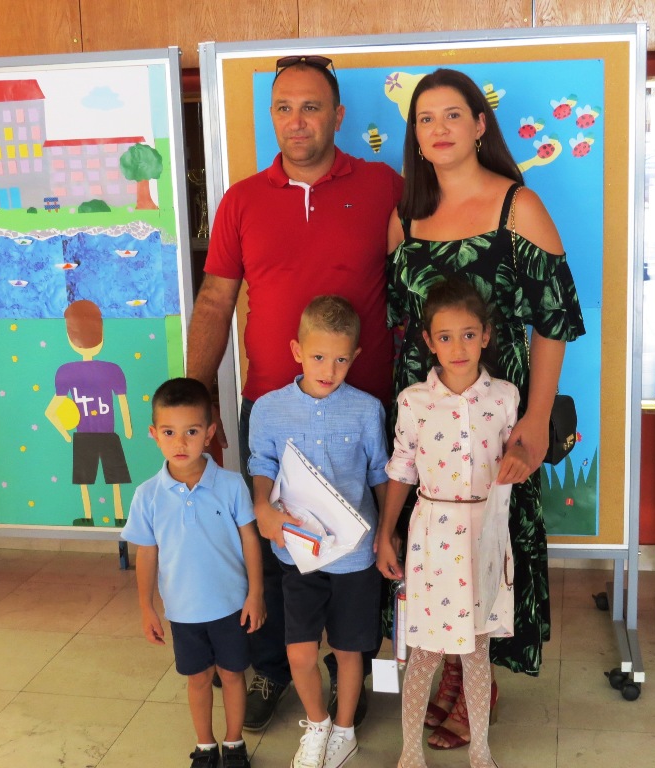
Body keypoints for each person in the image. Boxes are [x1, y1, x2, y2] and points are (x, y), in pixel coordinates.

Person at [186, 54, 402, 729]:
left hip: (364, 410)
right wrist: (201, 400)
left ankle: (350, 670)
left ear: (338, 115)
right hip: (272, 410)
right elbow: (215, 302)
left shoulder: (383, 187)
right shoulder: (242, 199)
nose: (296, 120)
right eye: (283, 108)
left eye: (311, 107)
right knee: (276, 550)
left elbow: (418, 285)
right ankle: (275, 668)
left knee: (359, 550)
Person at [385, 68, 585, 750]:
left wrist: (537, 417)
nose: (438, 129)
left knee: (492, 540)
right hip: (426, 413)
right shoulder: (404, 217)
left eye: (452, 114)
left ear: (479, 125)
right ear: (415, 136)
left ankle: (480, 680)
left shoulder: (517, 207)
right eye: (424, 118)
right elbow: (400, 321)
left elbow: (553, 322)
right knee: (429, 542)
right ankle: (441, 675)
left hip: (499, 414)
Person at [377, 278, 528, 768]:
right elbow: (402, 468)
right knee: (424, 650)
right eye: (445, 337)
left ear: (486, 335)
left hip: (485, 534)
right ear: (428, 341)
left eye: (468, 335)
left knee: (476, 650)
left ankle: (480, 751)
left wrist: (521, 458)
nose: (458, 347)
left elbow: (519, 452)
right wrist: (386, 533)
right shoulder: (413, 402)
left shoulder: (504, 397)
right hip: (433, 537)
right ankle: (409, 753)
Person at [247, 296, 388, 768]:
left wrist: (388, 532)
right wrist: (263, 507)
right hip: (298, 556)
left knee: (349, 651)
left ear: (356, 356)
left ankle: (344, 731)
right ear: (297, 351)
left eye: (341, 359)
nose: (329, 370)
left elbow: (380, 473)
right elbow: (262, 463)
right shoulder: (268, 409)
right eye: (319, 357)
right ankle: (318, 723)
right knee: (301, 654)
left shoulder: (367, 410)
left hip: (355, 558)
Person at [121, 378, 265, 768]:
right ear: (154, 434)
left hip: (231, 605)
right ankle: (205, 745)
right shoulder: (147, 496)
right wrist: (146, 607)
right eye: (169, 432)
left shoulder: (231, 485)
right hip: (183, 612)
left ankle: (234, 744)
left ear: (210, 432)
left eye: (192, 431)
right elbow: (146, 553)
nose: (180, 443)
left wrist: (255, 594)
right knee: (198, 679)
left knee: (232, 675)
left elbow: (250, 540)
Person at [45, 299, 133, 527]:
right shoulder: (112, 370)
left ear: (70, 338)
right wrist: (128, 428)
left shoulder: (66, 372)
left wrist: (64, 432)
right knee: (109, 478)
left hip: (86, 435)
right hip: (104, 434)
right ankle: (118, 515)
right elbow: (122, 403)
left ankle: (89, 516)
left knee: (94, 479)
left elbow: (51, 411)